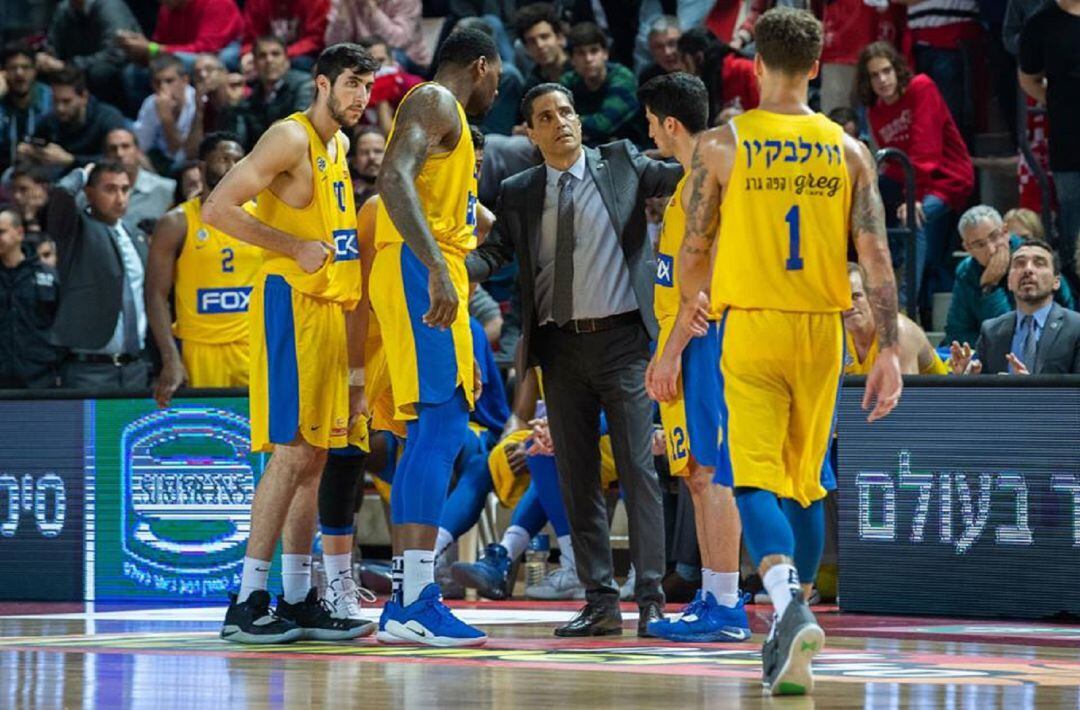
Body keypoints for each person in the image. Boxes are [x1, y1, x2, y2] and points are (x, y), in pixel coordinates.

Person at [677, 8, 901, 695]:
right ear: (813, 66)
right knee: (806, 484)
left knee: (751, 479)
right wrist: (888, 349)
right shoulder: (849, 149)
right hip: (823, 332)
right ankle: (789, 623)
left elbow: (693, 248)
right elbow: (877, 257)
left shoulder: (721, 145)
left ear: (754, 64)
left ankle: (785, 601)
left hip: (752, 326)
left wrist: (691, 303)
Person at [467, 83, 681, 639]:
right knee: (575, 476)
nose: (559, 121)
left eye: (566, 111)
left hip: (623, 343)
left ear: (579, 122)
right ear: (531, 133)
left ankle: (652, 600)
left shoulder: (621, 162)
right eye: (545, 116)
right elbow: (496, 254)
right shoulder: (517, 190)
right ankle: (600, 600)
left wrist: (720, 152)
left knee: (638, 471)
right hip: (558, 348)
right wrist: (454, 270)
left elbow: (686, 172)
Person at [202, 43, 380, 644]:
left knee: (315, 456)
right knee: (289, 452)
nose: (361, 97)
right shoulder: (290, 136)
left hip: (328, 310)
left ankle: (299, 596)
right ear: (323, 84)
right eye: (353, 83)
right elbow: (216, 207)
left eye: (368, 86)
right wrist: (291, 246)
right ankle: (248, 597)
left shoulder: (340, 145)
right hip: (289, 307)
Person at [368, 27, 501, 647]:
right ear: (480, 64)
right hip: (417, 268)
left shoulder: (452, 127)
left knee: (431, 429)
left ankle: (409, 596)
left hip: (427, 263)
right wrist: (437, 269)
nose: (497, 87)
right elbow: (392, 179)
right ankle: (415, 599)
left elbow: (436, 198)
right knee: (442, 425)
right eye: (497, 75)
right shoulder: (434, 101)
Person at [637, 72, 751, 643]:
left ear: (671, 124)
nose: (648, 131)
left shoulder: (707, 185)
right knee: (698, 475)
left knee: (712, 473)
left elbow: (700, 292)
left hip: (705, 341)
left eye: (652, 122)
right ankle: (714, 595)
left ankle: (727, 603)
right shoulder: (688, 186)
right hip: (687, 342)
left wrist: (670, 354)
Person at [856, 42, 974, 308]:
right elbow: (895, 166)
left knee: (913, 218)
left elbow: (926, 149)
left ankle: (904, 305)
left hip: (946, 178)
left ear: (897, 69)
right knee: (862, 194)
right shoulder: (875, 112)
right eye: (874, 75)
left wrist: (914, 198)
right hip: (908, 183)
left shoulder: (921, 87)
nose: (882, 80)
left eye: (886, 71)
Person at [146, 132, 258, 407]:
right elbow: (155, 295)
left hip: (255, 347)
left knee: (263, 444)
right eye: (223, 159)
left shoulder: (265, 217)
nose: (232, 166)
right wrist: (171, 359)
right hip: (200, 351)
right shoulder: (176, 223)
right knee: (210, 439)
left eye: (238, 160)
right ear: (202, 167)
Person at [46, 162, 151, 389]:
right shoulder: (75, 229)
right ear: (89, 193)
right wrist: (81, 173)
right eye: (110, 189)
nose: (120, 198)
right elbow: (61, 194)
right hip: (89, 370)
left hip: (136, 366)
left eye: (125, 189)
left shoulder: (137, 235)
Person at [943, 205, 1073, 346]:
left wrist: (990, 289)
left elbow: (1016, 335)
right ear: (968, 248)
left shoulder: (1035, 261)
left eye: (994, 237)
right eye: (980, 244)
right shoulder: (967, 272)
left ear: (1006, 232)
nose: (991, 249)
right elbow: (956, 333)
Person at [950, 240, 1080, 375]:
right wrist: (967, 379)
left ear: (1056, 282)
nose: (1028, 269)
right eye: (1019, 263)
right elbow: (982, 391)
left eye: (1039, 263)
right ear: (1009, 282)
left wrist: (1031, 391)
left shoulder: (1076, 327)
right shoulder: (991, 331)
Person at [1019, 0, 1080, 284]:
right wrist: (1057, 103)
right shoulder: (1040, 23)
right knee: (1072, 217)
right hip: (1068, 138)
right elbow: (1029, 78)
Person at [64, 128, 177, 233]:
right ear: (105, 156)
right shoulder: (90, 193)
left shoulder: (167, 189)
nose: (119, 154)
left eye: (126, 146)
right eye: (113, 149)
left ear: (138, 152)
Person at [844, 262, 949, 375]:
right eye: (841, 301)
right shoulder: (833, 335)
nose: (849, 306)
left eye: (856, 296)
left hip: (939, 392)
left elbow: (906, 391)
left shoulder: (898, 333)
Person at [23, 67, 127, 178]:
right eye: (55, 101)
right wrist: (30, 152)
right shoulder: (50, 120)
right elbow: (35, 142)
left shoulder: (107, 118)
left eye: (66, 101)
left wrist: (71, 160)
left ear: (84, 97)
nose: (60, 108)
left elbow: (116, 160)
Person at [38, 0, 142, 109]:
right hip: (78, 66)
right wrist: (47, 58)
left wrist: (67, 66)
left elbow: (116, 54)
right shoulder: (64, 9)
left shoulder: (109, 6)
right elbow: (52, 45)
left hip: (112, 69)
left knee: (100, 72)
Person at [0, 209, 62, 389]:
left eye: (1, 232)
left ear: (19, 233)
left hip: (41, 377)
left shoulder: (48, 275)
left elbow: (63, 325)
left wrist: (58, 366)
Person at [224, 36, 316, 151]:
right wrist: (234, 106)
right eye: (262, 56)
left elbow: (299, 124)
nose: (269, 60)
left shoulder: (304, 84)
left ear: (287, 60)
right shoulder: (252, 97)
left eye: (275, 54)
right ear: (255, 64)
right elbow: (238, 139)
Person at [561, 22, 644, 146]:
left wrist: (565, 121)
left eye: (594, 51)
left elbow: (603, 124)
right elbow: (554, 113)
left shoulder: (622, 78)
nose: (588, 59)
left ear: (605, 53)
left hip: (630, 147)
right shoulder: (568, 80)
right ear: (572, 59)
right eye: (581, 53)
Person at [134, 54, 198, 174]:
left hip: (192, 164)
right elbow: (141, 147)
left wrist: (166, 118)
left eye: (169, 81)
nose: (163, 88)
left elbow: (180, 153)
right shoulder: (151, 103)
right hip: (161, 162)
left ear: (185, 80)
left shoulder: (197, 102)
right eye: (157, 83)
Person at [0, 42, 52, 172]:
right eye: (13, 68)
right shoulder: (2, 100)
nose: (19, 73)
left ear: (35, 70)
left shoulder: (49, 98)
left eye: (25, 67)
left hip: (43, 173)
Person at [240, 0, 328, 72]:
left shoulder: (316, 2)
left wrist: (283, 54)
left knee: (300, 62)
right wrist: (248, 54)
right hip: (267, 51)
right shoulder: (257, 2)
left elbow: (315, 39)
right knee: (236, 62)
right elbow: (250, 37)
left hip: (302, 54)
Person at [351, 125, 386, 206]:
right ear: (354, 160)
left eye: (378, 151)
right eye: (364, 152)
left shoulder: (400, 191)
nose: (371, 157)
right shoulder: (345, 193)